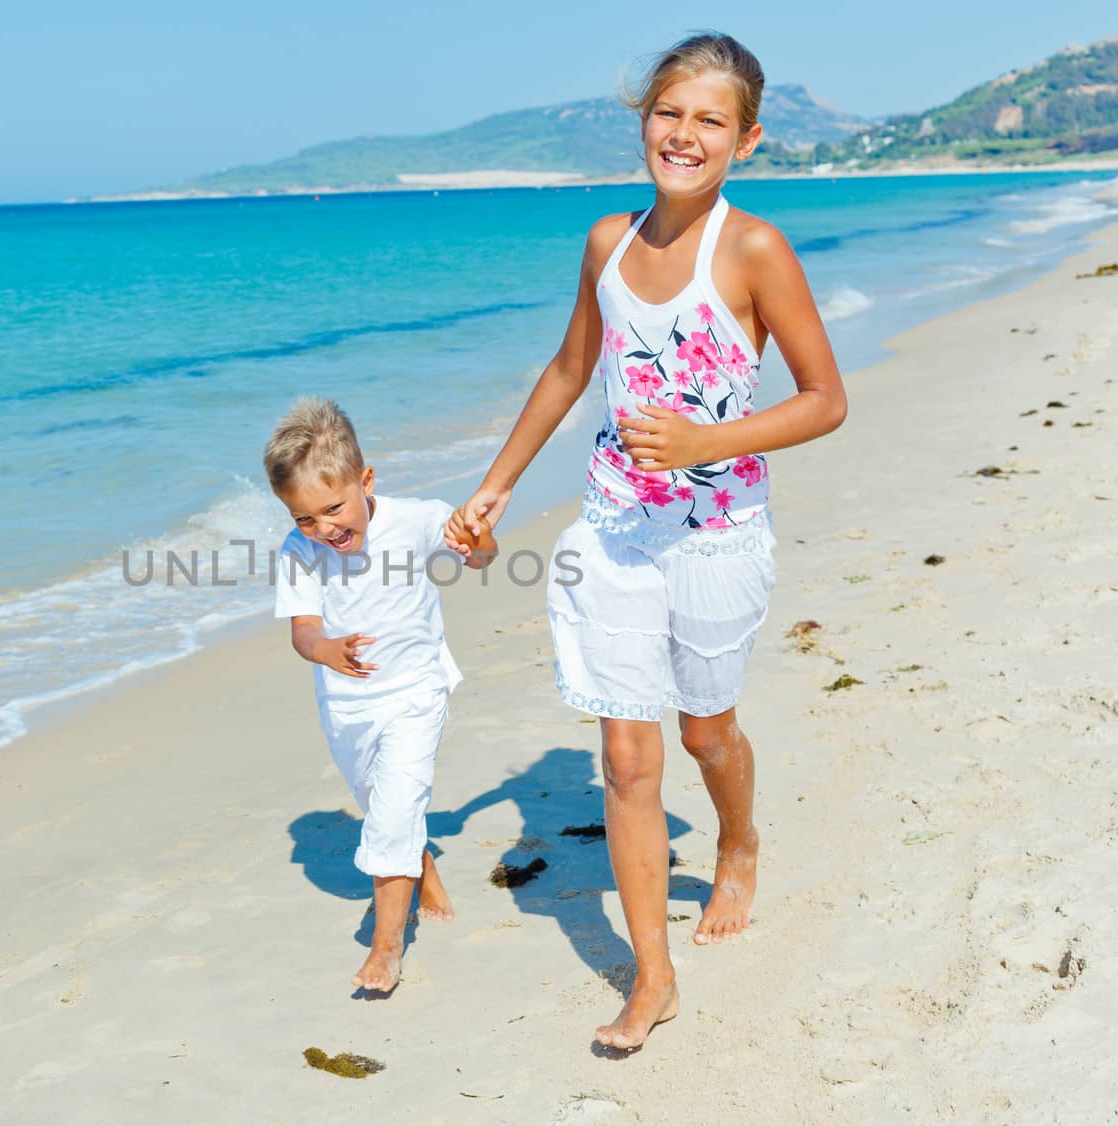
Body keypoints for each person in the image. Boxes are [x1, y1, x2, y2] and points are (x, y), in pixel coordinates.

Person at [447, 32, 847, 1049]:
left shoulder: (753, 250)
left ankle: (738, 838)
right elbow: (568, 368)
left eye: (710, 120)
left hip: (717, 535)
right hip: (614, 532)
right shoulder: (605, 244)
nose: (685, 133)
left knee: (705, 733)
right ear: (641, 121)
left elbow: (823, 401)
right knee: (627, 760)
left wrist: (706, 439)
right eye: (669, 112)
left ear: (745, 140)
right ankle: (651, 976)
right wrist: (494, 488)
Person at [265, 397, 496, 993]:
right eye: (304, 518)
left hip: (417, 690)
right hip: (346, 704)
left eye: (333, 508)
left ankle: (387, 945)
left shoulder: (417, 520)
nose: (323, 529)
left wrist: (479, 539)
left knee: (395, 805)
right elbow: (303, 631)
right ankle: (424, 870)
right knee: (383, 803)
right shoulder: (300, 553)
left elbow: (481, 557)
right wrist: (328, 652)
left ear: (365, 481)